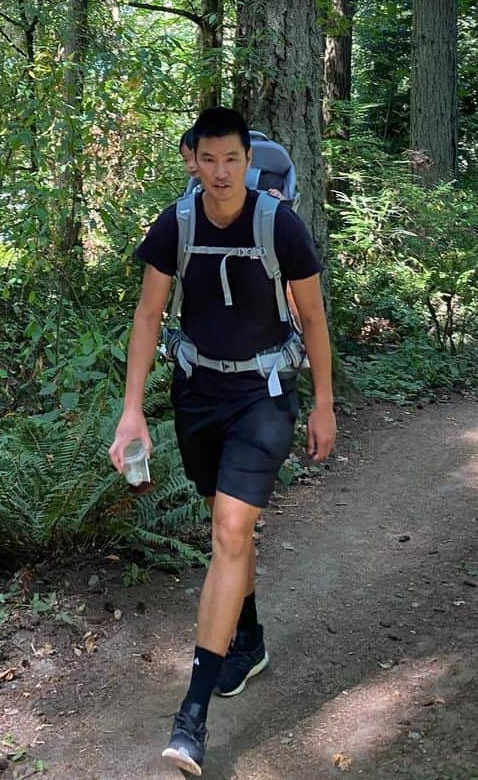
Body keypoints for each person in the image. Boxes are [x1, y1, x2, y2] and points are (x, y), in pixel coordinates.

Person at [109, 106, 336, 776]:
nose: (219, 172)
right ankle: (251, 638)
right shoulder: (175, 224)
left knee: (232, 531)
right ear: (190, 160)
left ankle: (193, 716)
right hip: (198, 395)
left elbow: (315, 317)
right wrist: (131, 412)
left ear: (249, 160)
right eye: (207, 160)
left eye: (231, 159)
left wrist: (323, 403)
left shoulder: (280, 225)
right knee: (223, 527)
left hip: (264, 395)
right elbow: (149, 316)